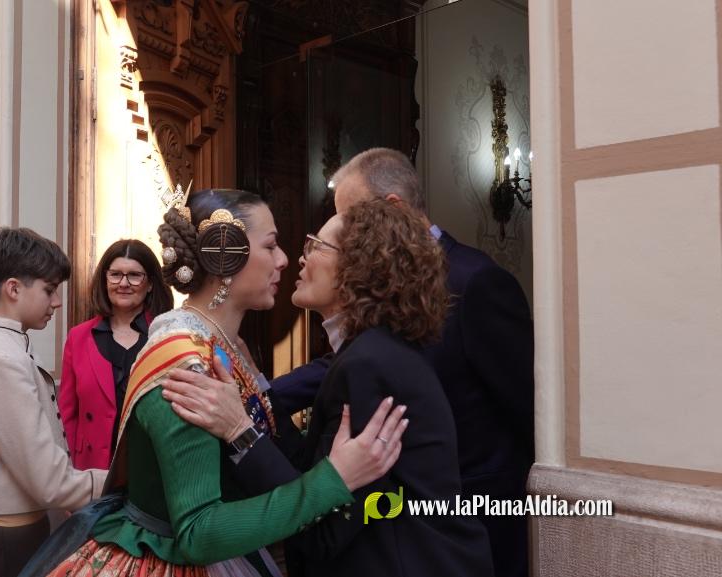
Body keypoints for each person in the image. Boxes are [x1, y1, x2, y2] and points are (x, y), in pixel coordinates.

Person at [44, 189, 406, 577]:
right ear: (225, 257)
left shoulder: (221, 347)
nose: (284, 259)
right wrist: (333, 479)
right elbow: (198, 532)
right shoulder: (184, 362)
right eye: (271, 246)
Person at [272, 148, 535, 577]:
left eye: (354, 221)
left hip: (473, 511)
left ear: (390, 209)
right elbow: (347, 362)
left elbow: (523, 405)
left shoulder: (477, 280)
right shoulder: (371, 341)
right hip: (390, 515)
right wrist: (261, 394)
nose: (351, 235)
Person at [0, 227, 109, 577]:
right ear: (14, 288)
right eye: (49, 290)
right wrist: (115, 483)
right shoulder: (0, 358)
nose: (57, 302)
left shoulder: (3, 346)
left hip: (8, 526)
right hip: (2, 534)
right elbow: (49, 481)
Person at [59, 239, 173, 470]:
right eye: (115, 274)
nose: (124, 283)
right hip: (92, 469)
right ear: (105, 279)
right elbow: (67, 415)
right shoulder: (78, 337)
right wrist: (68, 476)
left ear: (150, 283)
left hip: (153, 467)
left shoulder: (166, 336)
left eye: (134, 275)